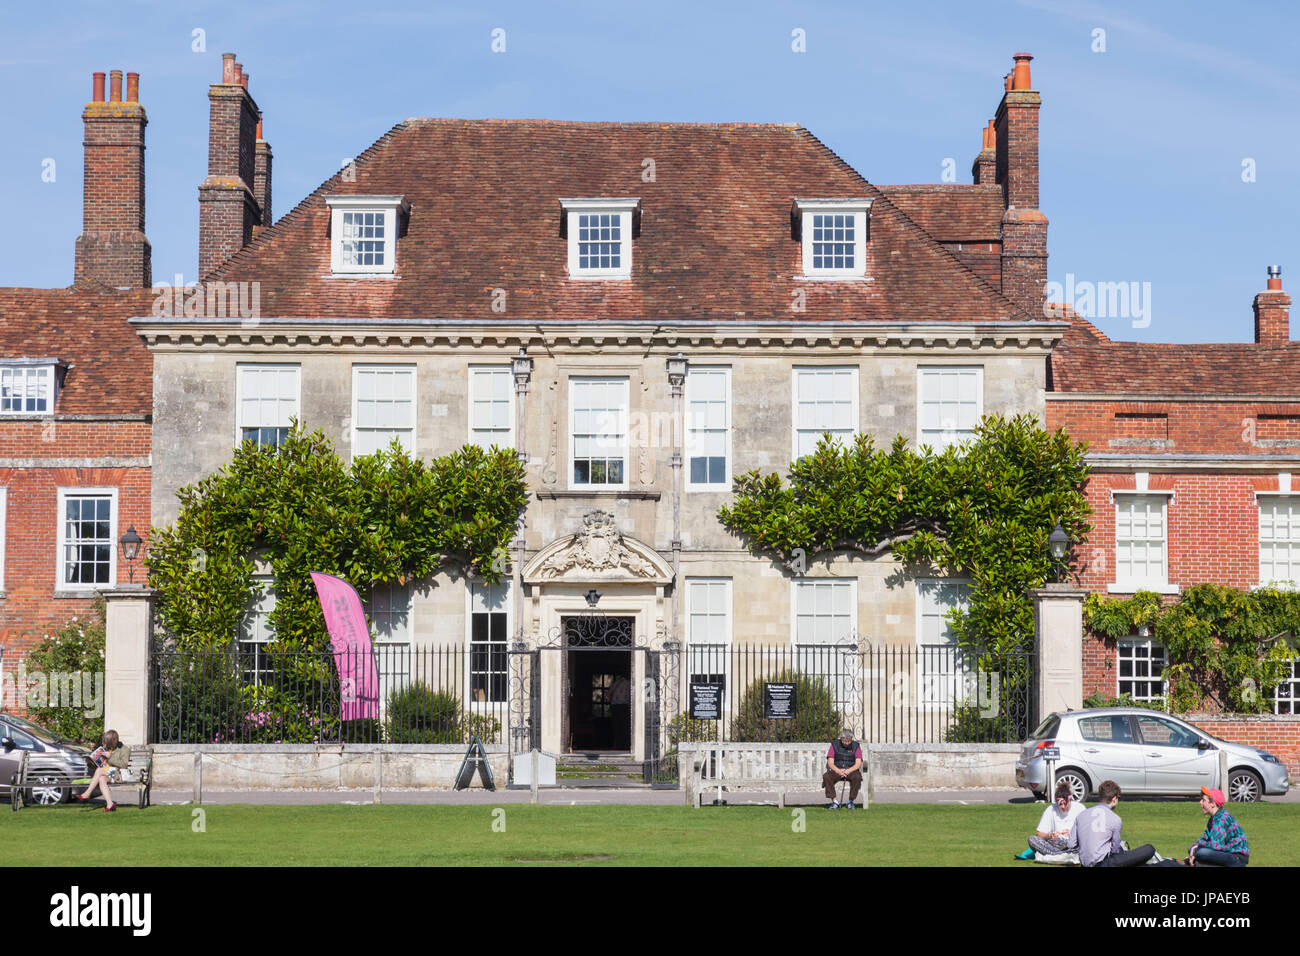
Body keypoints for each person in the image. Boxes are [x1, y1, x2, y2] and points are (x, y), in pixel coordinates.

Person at [1066, 779, 1155, 867]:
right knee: (1149, 849)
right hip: (1105, 863)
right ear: (1114, 799)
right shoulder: (1115, 819)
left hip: (1085, 864)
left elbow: (1071, 844)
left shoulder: (1081, 815)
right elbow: (1115, 850)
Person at [1017, 780, 1086, 859]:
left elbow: (1087, 832)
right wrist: (1049, 835)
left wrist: (1072, 834)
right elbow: (1039, 834)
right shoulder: (1051, 809)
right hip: (1056, 844)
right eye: (1060, 804)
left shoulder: (1080, 808)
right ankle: (1061, 855)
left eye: (1065, 803)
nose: (1062, 806)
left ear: (1070, 800)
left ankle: (1058, 855)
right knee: (1032, 840)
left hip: (1073, 843)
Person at [1185, 787, 1249, 867]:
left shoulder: (1221, 819)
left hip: (1236, 857)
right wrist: (1195, 846)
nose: (1200, 802)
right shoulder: (1214, 818)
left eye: (1203, 800)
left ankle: (1198, 863)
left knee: (1202, 852)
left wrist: (1196, 849)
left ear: (1212, 804)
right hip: (1226, 852)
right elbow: (1206, 838)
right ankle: (1199, 862)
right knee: (1191, 848)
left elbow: (1216, 845)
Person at [76, 729, 131, 812]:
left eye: (110, 744)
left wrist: (110, 757)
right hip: (108, 773)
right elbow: (100, 764)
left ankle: (87, 793)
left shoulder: (125, 749)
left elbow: (124, 765)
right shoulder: (106, 748)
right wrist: (90, 762)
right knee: (101, 778)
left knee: (100, 770)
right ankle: (110, 804)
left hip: (119, 774)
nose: (108, 746)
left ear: (115, 740)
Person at [823, 727, 864, 810]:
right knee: (827, 776)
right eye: (844, 741)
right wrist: (839, 771)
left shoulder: (856, 746)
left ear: (851, 739)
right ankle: (835, 802)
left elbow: (858, 763)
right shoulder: (834, 745)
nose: (846, 743)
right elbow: (830, 762)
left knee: (857, 777)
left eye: (849, 741)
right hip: (837, 769)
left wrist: (848, 771)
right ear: (841, 739)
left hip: (851, 770)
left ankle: (850, 801)